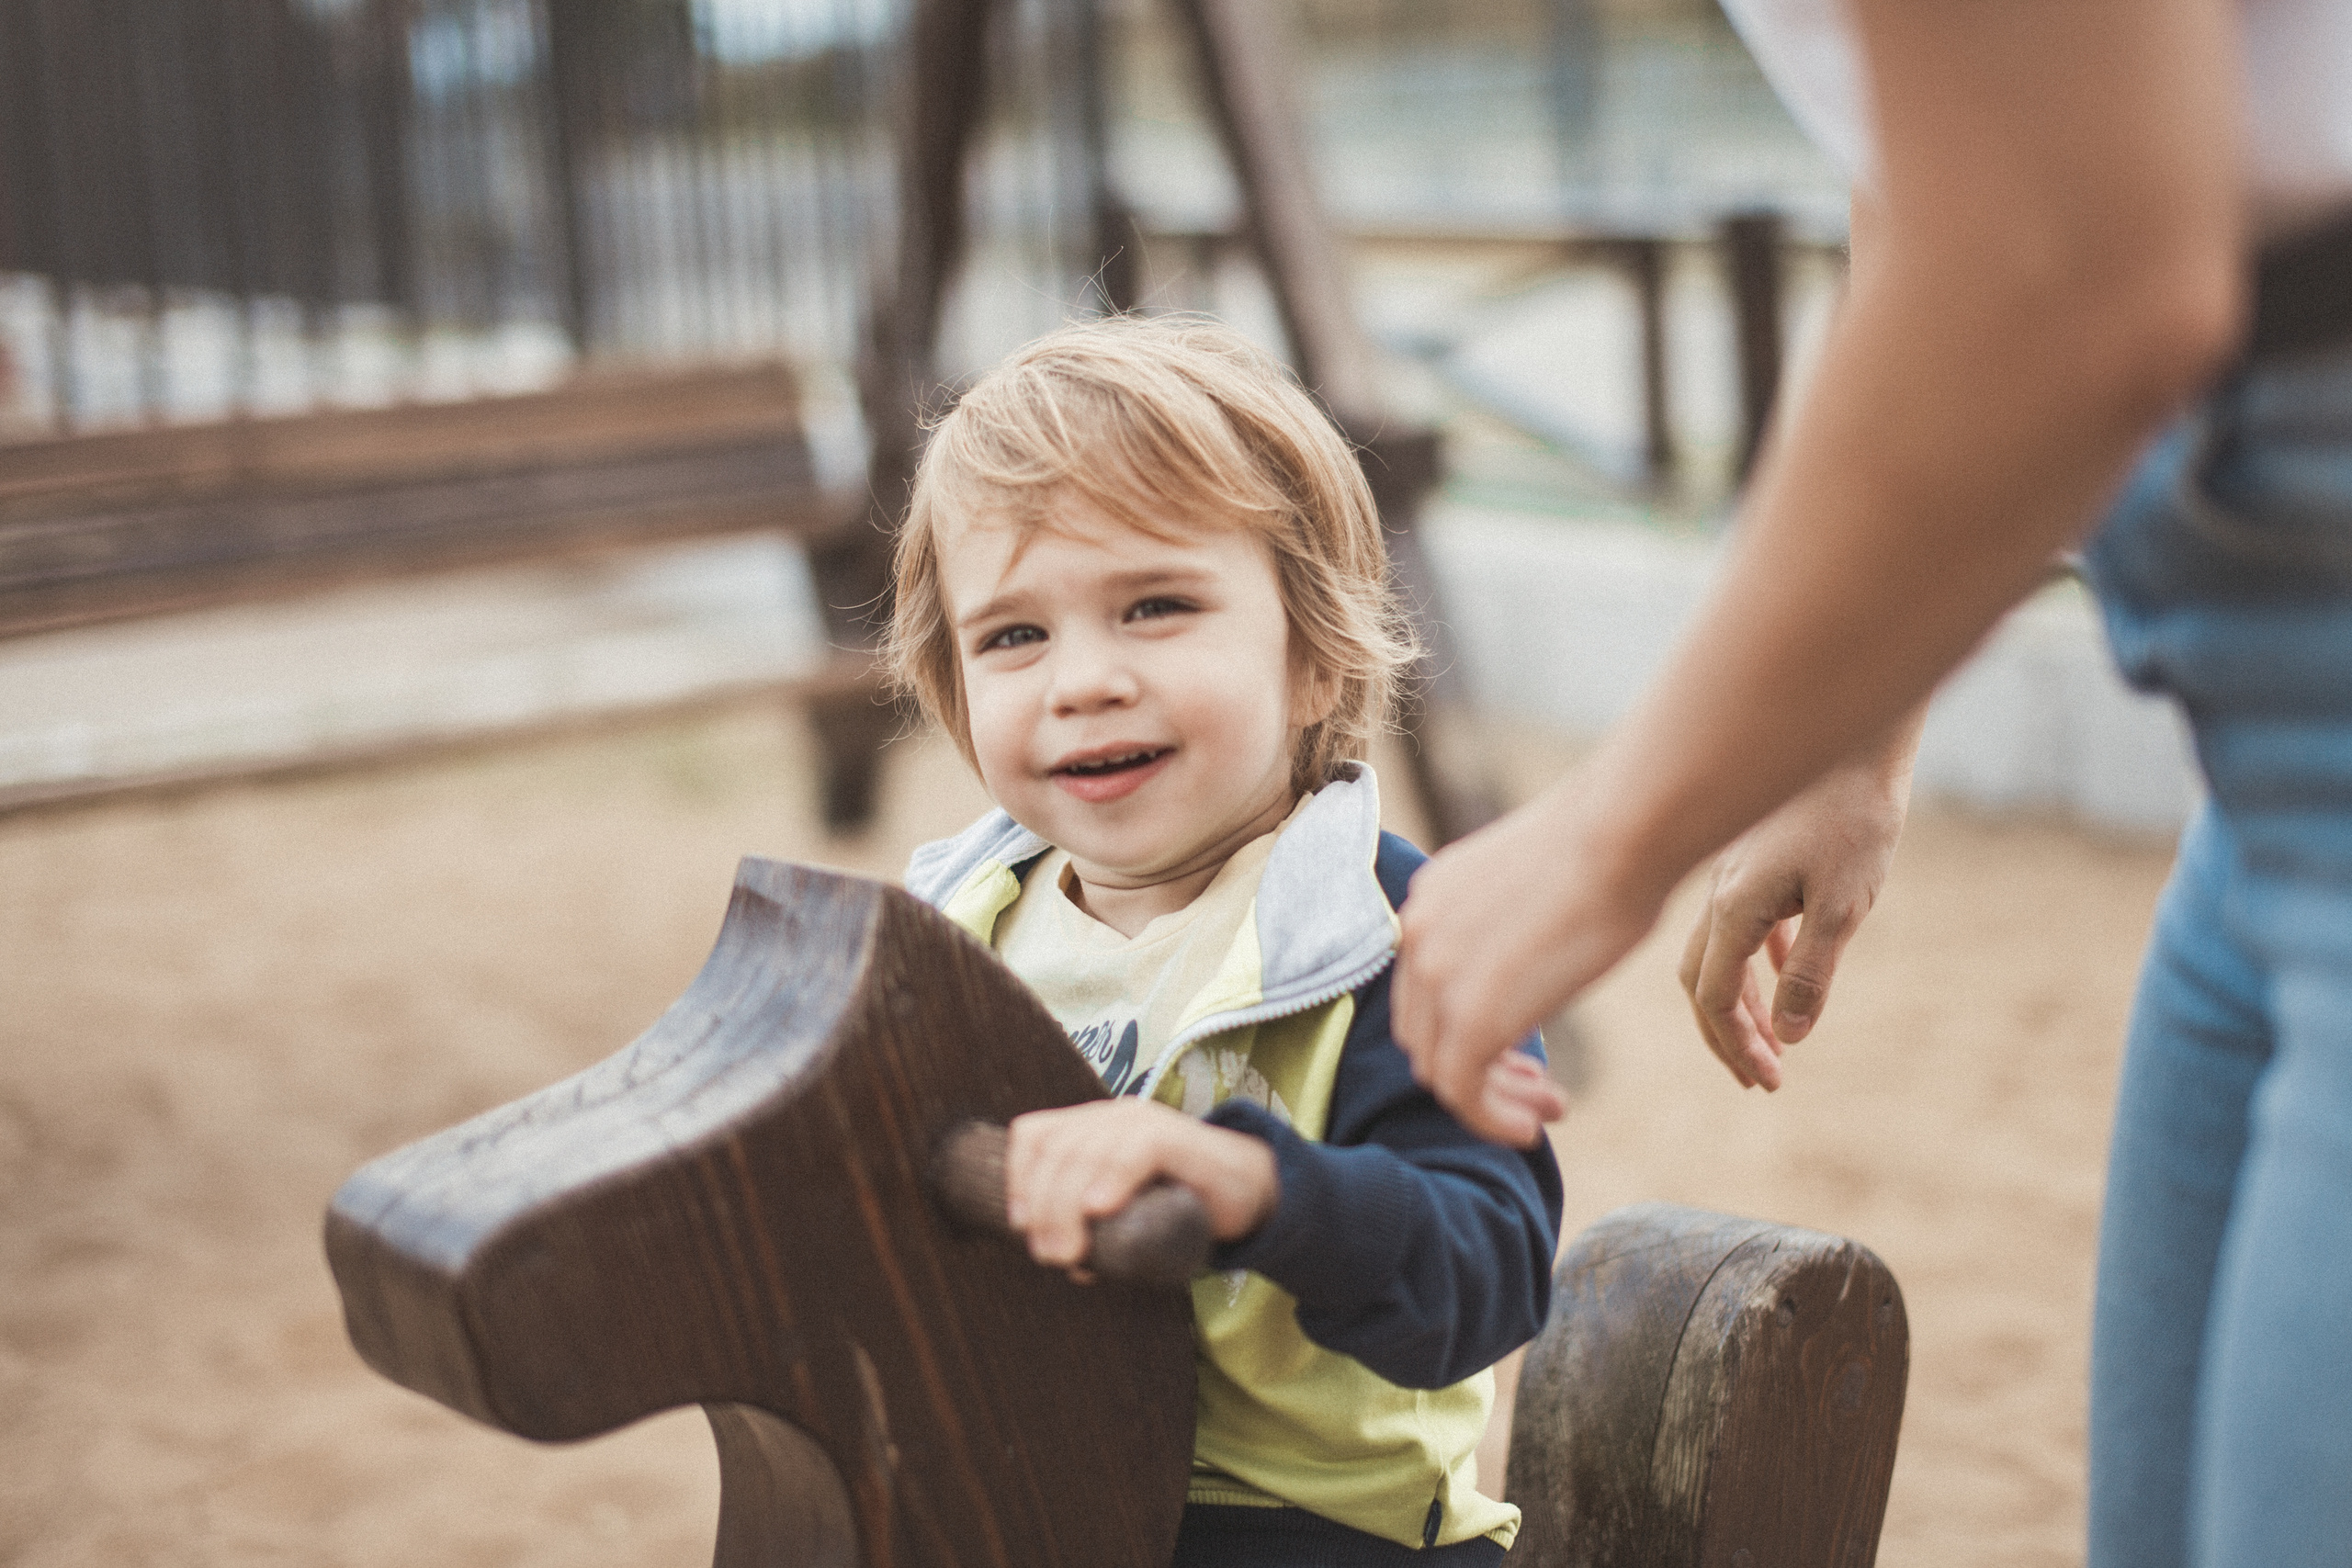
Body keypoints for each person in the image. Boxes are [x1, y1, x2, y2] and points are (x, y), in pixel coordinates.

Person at [1387, 1, 2352, 1565]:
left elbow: (2082, 269)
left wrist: (1605, 839)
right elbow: (1970, 144)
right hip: (2253, 762)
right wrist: (1847, 721)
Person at [885, 315, 1565, 1566]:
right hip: (1019, 1492)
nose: (1081, 679)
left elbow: (1488, 1267)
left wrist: (1259, 1188)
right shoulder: (949, 937)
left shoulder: (1390, 938)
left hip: (1297, 1530)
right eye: (1014, 635)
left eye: (1154, 606)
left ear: (1313, 656)